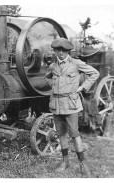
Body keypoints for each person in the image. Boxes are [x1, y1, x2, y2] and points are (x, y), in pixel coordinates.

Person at [45, 37, 99, 177]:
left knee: (75, 134)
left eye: (64, 50)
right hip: (57, 104)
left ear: (68, 51)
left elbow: (95, 73)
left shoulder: (76, 64)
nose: (61, 53)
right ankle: (65, 161)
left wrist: (82, 87)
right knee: (61, 134)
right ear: (55, 51)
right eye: (58, 50)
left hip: (71, 104)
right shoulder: (53, 66)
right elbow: (47, 77)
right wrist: (53, 85)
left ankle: (82, 164)